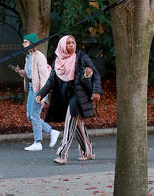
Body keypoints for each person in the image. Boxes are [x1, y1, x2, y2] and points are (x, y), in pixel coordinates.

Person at [37, 35, 101, 165]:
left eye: (73, 42)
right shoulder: (58, 61)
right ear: (62, 46)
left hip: (79, 95)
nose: (72, 45)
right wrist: (41, 94)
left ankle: (62, 154)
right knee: (77, 124)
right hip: (65, 96)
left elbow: (95, 73)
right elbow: (51, 81)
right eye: (68, 43)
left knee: (69, 123)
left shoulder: (81, 57)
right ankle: (88, 151)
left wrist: (96, 91)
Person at [11, 33, 59, 151]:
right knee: (30, 116)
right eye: (24, 42)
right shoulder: (28, 57)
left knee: (34, 115)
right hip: (32, 87)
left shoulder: (39, 56)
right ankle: (52, 132)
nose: (23, 44)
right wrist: (20, 71)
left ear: (31, 44)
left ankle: (38, 142)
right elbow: (30, 73)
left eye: (26, 42)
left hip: (39, 89)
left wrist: (42, 94)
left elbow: (44, 76)